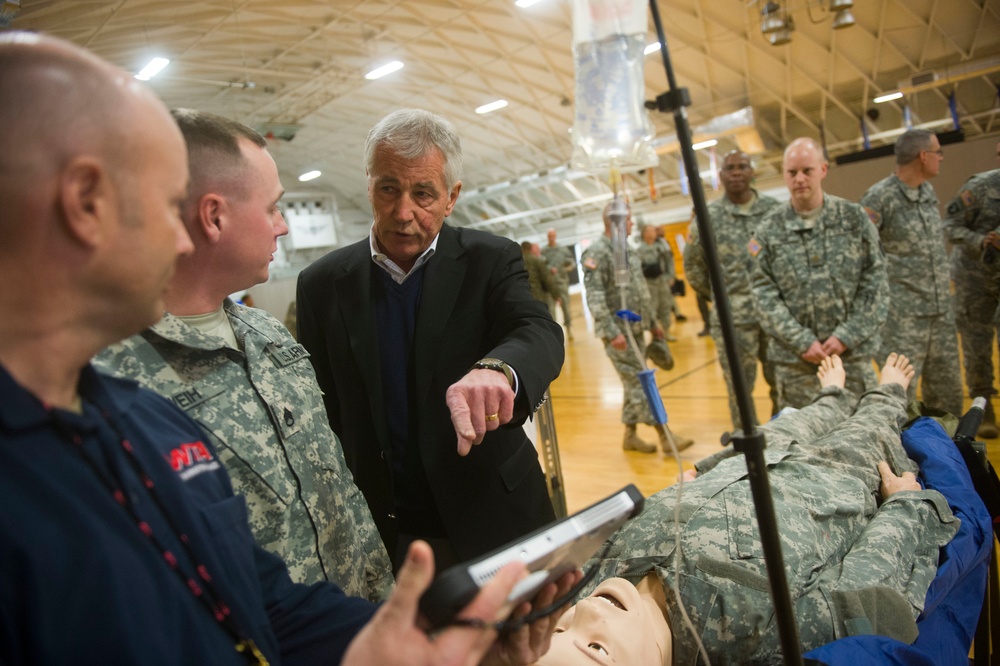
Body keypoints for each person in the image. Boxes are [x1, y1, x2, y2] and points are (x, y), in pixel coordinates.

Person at [0, 31, 584, 666]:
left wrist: (387, 637)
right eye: (172, 202)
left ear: (451, 197)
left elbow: (245, 587)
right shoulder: (122, 405)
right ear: (85, 202)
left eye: (423, 194)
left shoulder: (132, 415)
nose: (185, 233)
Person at [92, 109, 393, 601]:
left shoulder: (266, 332)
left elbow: (338, 486)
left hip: (360, 623)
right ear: (214, 216)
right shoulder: (114, 377)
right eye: (273, 207)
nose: (283, 227)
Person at [534, 353, 959, 665]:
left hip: (751, 460)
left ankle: (832, 394)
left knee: (810, 411)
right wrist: (904, 504)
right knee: (876, 414)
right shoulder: (756, 640)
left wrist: (700, 471)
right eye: (596, 647)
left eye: (561, 628)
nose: (587, 612)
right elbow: (870, 588)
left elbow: (663, 504)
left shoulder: (591, 576)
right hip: (836, 478)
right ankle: (886, 392)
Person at [296, 108, 563, 572]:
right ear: (369, 186)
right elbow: (324, 409)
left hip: (493, 515)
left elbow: (537, 329)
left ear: (451, 197)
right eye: (388, 189)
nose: (403, 213)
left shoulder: (491, 258)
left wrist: (499, 369)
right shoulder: (320, 284)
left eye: (422, 194)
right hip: (383, 531)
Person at [751, 137, 889, 409]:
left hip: (851, 359)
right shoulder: (768, 230)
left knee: (862, 438)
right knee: (803, 445)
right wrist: (801, 340)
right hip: (797, 366)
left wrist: (847, 335)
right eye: (792, 172)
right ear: (784, 176)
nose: (799, 178)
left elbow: (876, 284)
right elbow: (763, 296)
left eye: (807, 170)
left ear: (823, 170)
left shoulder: (854, 218)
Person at [860, 129, 963, 417]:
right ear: (923, 156)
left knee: (947, 394)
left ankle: (951, 456)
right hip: (902, 319)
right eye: (938, 152)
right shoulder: (880, 197)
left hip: (940, 313)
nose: (941, 158)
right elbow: (858, 253)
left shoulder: (927, 191)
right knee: (902, 399)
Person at [581, 199, 693, 455]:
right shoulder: (596, 253)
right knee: (641, 385)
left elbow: (642, 292)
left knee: (636, 383)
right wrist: (612, 332)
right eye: (628, 219)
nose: (632, 223)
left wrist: (653, 324)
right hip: (618, 335)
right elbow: (595, 296)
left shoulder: (628, 250)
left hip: (637, 330)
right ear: (616, 222)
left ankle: (629, 436)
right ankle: (665, 436)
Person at [684, 150, 782, 429]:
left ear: (752, 172)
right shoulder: (707, 217)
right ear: (721, 176)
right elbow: (693, 267)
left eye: (742, 167)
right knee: (740, 391)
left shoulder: (775, 211)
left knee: (783, 386)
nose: (736, 172)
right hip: (733, 322)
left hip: (777, 318)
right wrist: (721, 297)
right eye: (730, 168)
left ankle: (783, 440)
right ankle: (748, 454)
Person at [944, 146, 1000, 438]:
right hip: (973, 280)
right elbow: (950, 226)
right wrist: (982, 241)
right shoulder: (979, 188)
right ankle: (985, 406)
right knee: (977, 348)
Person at [635, 221, 678, 341]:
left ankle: (666, 331)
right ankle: (655, 333)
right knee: (651, 308)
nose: (655, 232)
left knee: (666, 306)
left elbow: (669, 262)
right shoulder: (639, 250)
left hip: (662, 280)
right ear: (645, 233)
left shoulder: (661, 247)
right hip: (648, 283)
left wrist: (671, 276)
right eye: (651, 230)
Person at [541, 228, 577, 341]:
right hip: (549, 285)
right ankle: (554, 332)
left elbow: (572, 263)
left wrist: (565, 268)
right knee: (550, 310)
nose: (551, 238)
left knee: (566, 307)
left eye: (552, 236)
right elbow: (541, 265)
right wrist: (548, 269)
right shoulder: (544, 251)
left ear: (555, 236)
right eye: (549, 236)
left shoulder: (562, 250)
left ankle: (569, 329)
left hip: (561, 283)